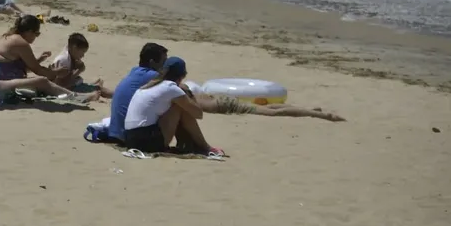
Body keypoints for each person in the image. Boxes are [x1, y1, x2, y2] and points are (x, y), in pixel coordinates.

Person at [0, 15, 99, 102]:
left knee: (39, 82)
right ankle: (78, 97)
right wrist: (55, 72)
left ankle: (75, 95)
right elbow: (38, 70)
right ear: (29, 31)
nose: (36, 37)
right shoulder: (19, 42)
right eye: (37, 34)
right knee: (42, 81)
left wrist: (39, 60)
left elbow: (20, 67)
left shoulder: (9, 37)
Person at [123, 57, 221, 155]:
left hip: (130, 140)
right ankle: (205, 147)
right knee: (180, 107)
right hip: (146, 142)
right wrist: (187, 92)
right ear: (182, 75)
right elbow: (199, 114)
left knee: (172, 106)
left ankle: (187, 143)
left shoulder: (150, 85)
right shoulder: (171, 88)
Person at [107, 42, 167, 143]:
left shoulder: (135, 72)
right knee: (174, 106)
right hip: (127, 136)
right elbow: (178, 88)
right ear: (152, 62)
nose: (165, 66)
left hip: (115, 133)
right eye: (164, 62)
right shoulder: (152, 76)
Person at [193, 91, 345, 121]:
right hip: (222, 100)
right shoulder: (180, 86)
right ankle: (310, 110)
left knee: (272, 113)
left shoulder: (176, 89)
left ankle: (321, 115)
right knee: (270, 107)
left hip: (224, 105)